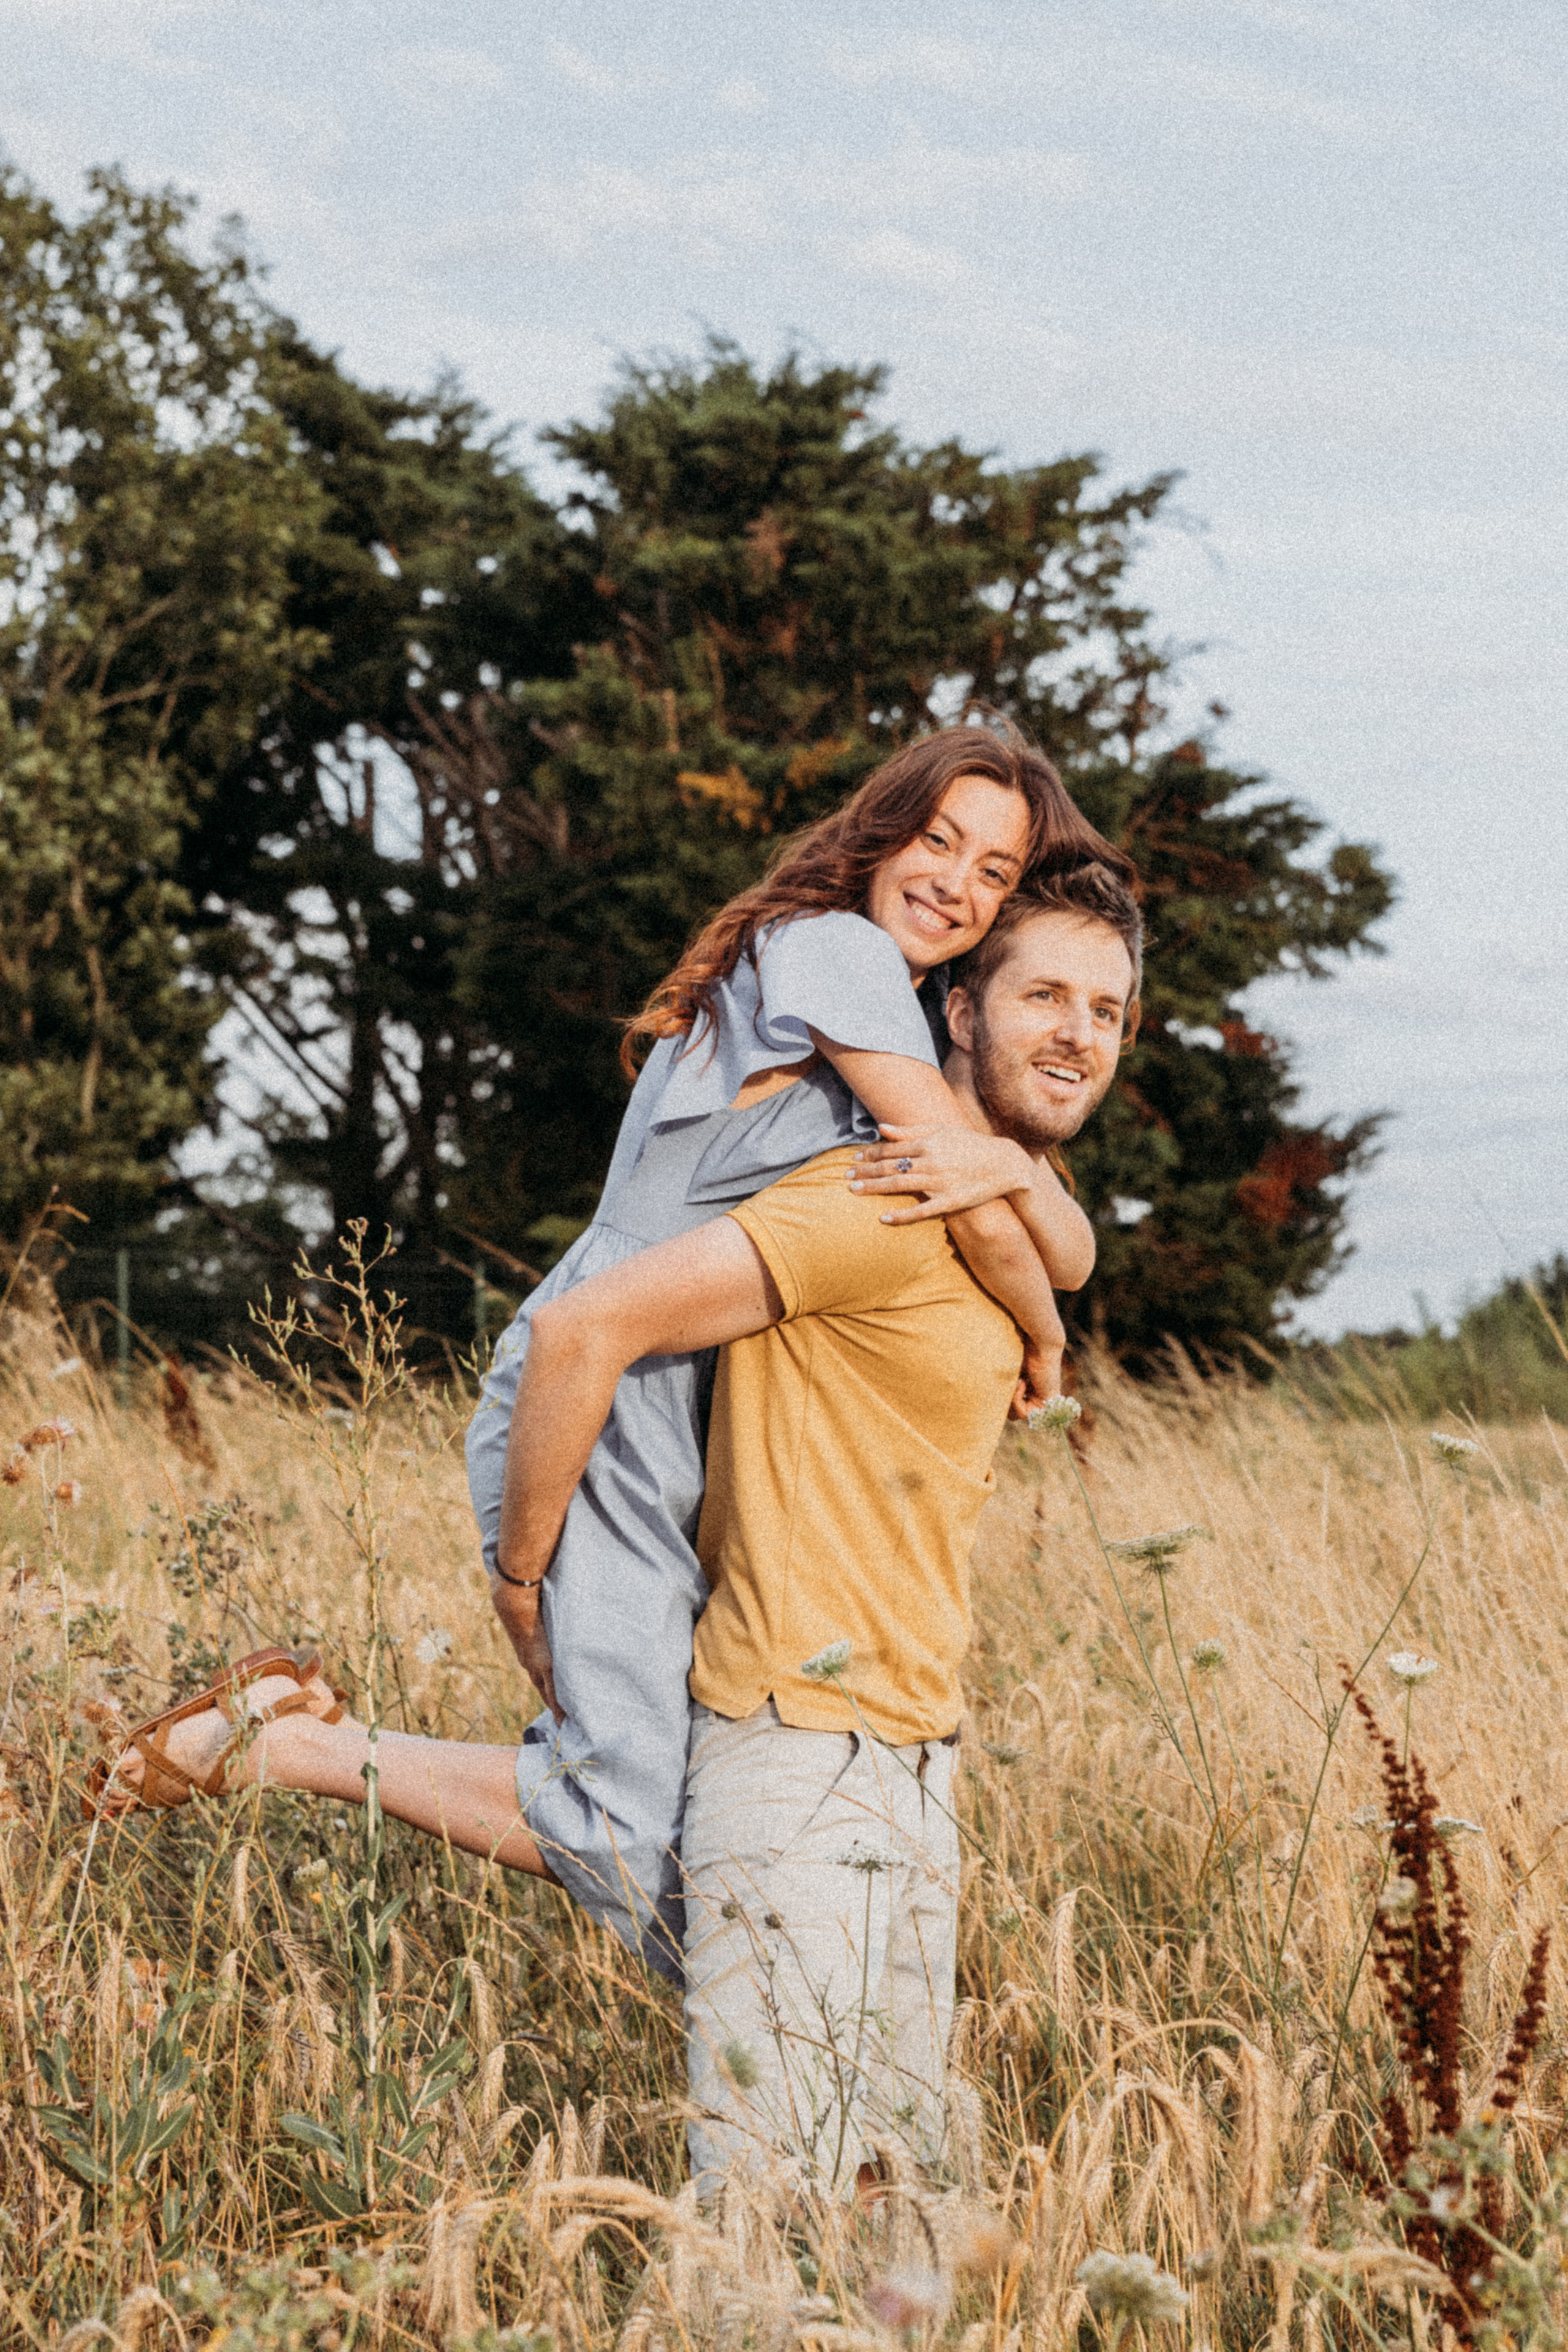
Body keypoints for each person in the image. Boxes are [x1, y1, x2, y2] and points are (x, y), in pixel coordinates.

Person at [94, 733, 1127, 1972]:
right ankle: (288, 1749)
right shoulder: (835, 953)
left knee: (687, 1839)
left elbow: (1037, 1226)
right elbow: (999, 1222)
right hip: (600, 1409)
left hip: (663, 1419)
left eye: (991, 868)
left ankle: (295, 1741)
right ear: (880, 831)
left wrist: (1019, 1201)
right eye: (936, 840)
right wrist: (1049, 1341)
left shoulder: (889, 1014)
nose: (955, 881)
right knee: (639, 1847)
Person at [492, 861, 1142, 2190]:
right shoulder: (875, 1198)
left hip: (912, 1757)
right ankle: (302, 1748)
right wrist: (521, 1571)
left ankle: (303, 1744)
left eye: (1109, 1012)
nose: (1079, 1032)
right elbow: (581, 1328)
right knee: (770, 2239)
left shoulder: (986, 1221)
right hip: (792, 1749)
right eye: (1044, 996)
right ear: (956, 1012)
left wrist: (1041, 1308)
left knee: (886, 2222)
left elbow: (1057, 1249)